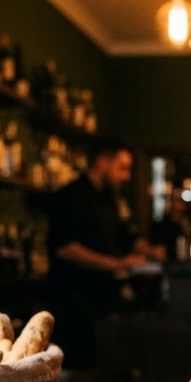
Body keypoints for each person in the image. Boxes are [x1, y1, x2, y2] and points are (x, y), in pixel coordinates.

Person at [43, 136, 146, 368]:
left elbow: (123, 238)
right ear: (102, 162)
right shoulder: (72, 195)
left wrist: (148, 250)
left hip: (102, 300)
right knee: (80, 367)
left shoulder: (109, 200)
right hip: (73, 301)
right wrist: (116, 264)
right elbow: (65, 248)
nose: (125, 176)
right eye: (122, 167)